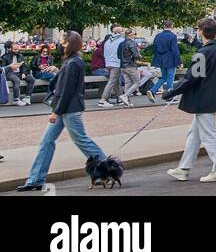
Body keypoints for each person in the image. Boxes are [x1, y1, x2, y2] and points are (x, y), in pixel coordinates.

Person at [16, 32, 108, 192]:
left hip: (68, 109)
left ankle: (106, 168)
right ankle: (36, 179)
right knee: (47, 142)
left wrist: (56, 112)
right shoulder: (72, 61)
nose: (59, 45)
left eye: (62, 42)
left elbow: (66, 91)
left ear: (69, 44)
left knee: (81, 140)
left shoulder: (73, 62)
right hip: (65, 108)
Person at [164, 17, 216, 183]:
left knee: (208, 135)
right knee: (194, 135)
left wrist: (172, 91)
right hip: (213, 97)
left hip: (203, 99)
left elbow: (192, 77)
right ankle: (184, 168)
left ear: (201, 31)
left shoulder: (203, 52)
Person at [148, 21, 181, 103]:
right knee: (170, 77)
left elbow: (154, 48)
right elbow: (175, 50)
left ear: (164, 26)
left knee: (164, 77)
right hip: (170, 59)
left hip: (161, 59)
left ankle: (152, 90)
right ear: (171, 26)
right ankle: (169, 96)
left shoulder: (158, 35)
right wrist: (179, 61)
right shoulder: (172, 36)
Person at [112, 30, 145, 106]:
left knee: (128, 83)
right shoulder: (132, 43)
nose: (135, 35)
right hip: (131, 65)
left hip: (122, 66)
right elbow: (136, 55)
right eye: (134, 34)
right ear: (130, 35)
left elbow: (118, 56)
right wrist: (140, 56)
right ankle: (125, 96)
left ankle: (127, 101)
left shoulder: (121, 44)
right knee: (137, 83)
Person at [97, 26, 125, 107]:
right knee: (112, 81)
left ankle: (120, 98)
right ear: (120, 32)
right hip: (116, 63)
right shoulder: (121, 40)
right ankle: (103, 100)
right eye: (122, 31)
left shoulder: (107, 41)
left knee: (115, 82)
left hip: (108, 63)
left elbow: (105, 54)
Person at [1, 41, 34, 106]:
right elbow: (3, 69)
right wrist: (11, 67)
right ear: (10, 49)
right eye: (15, 49)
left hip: (19, 73)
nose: (17, 51)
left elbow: (24, 66)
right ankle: (16, 99)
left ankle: (27, 97)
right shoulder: (5, 57)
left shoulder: (20, 56)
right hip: (10, 74)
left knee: (31, 79)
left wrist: (24, 73)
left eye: (18, 49)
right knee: (16, 80)